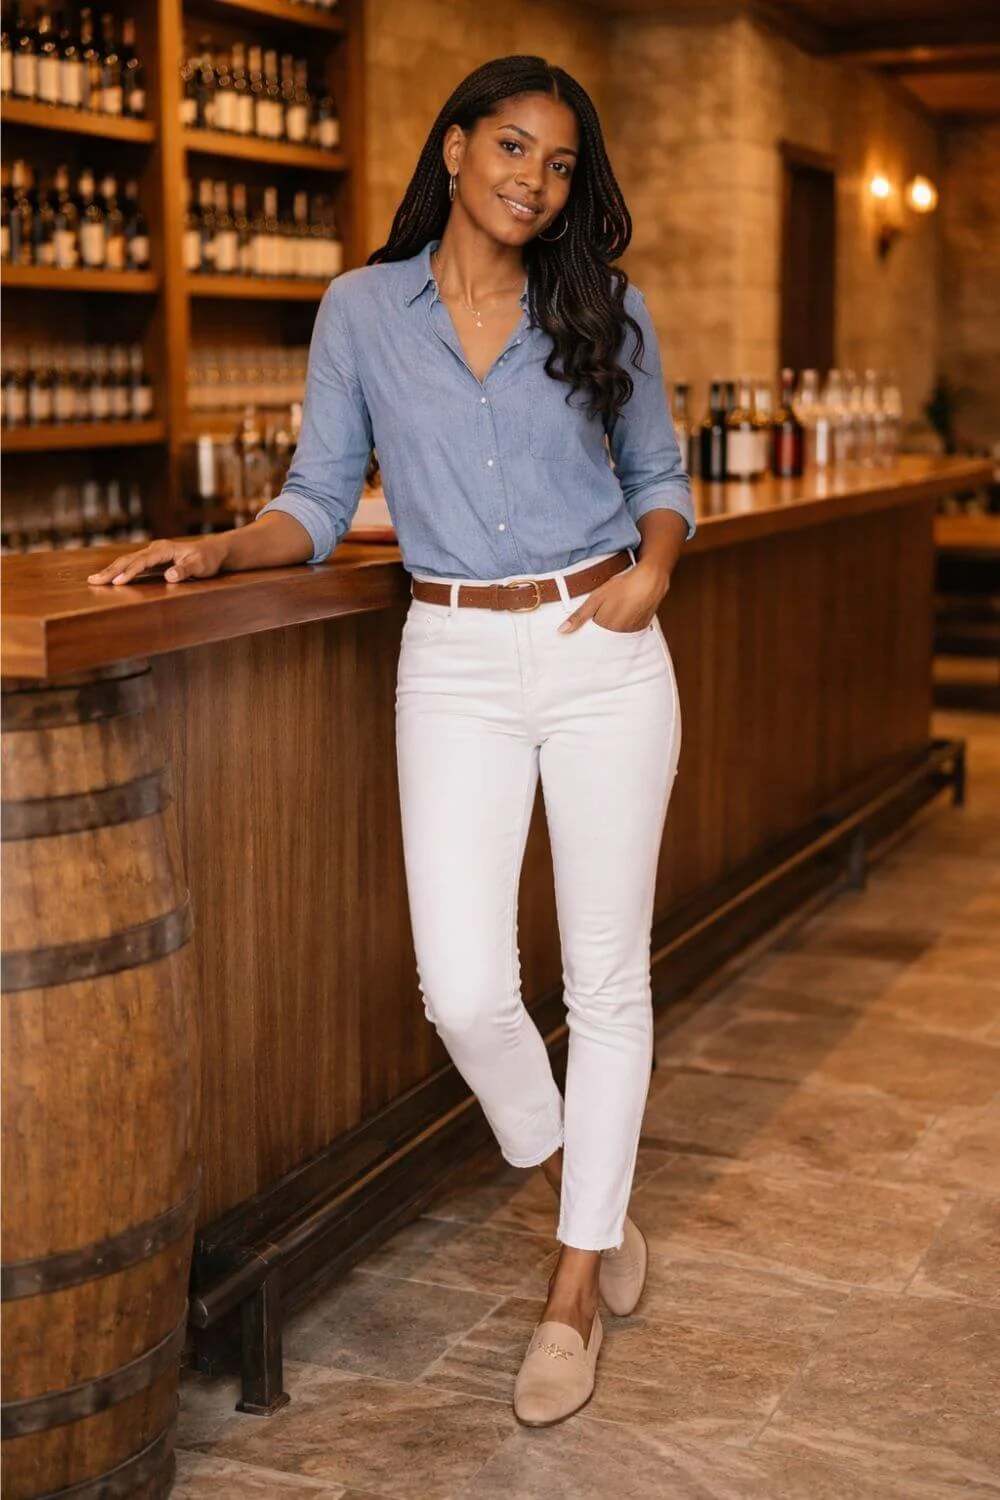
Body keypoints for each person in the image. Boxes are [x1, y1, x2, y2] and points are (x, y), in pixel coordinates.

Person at [87, 54, 695, 1428]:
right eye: (513, 149)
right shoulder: (364, 308)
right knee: (466, 989)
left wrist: (655, 565)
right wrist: (219, 548)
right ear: (458, 143)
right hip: (455, 656)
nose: (534, 182)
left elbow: (660, 477)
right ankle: (584, 1196)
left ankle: (572, 1285)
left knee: (605, 980)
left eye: (558, 165)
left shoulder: (609, 307)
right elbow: (315, 493)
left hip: (604, 649)